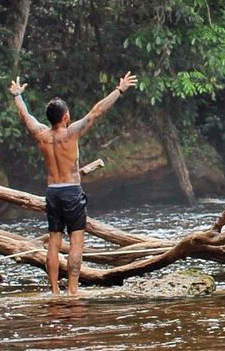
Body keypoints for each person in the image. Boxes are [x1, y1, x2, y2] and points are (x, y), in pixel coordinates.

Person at [8, 72, 138, 298]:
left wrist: (18, 95)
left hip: (53, 192)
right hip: (71, 191)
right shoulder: (70, 133)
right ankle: (72, 290)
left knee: (53, 243)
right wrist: (119, 90)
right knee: (76, 242)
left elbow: (24, 114)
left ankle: (55, 291)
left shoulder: (41, 134)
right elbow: (97, 111)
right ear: (66, 116)